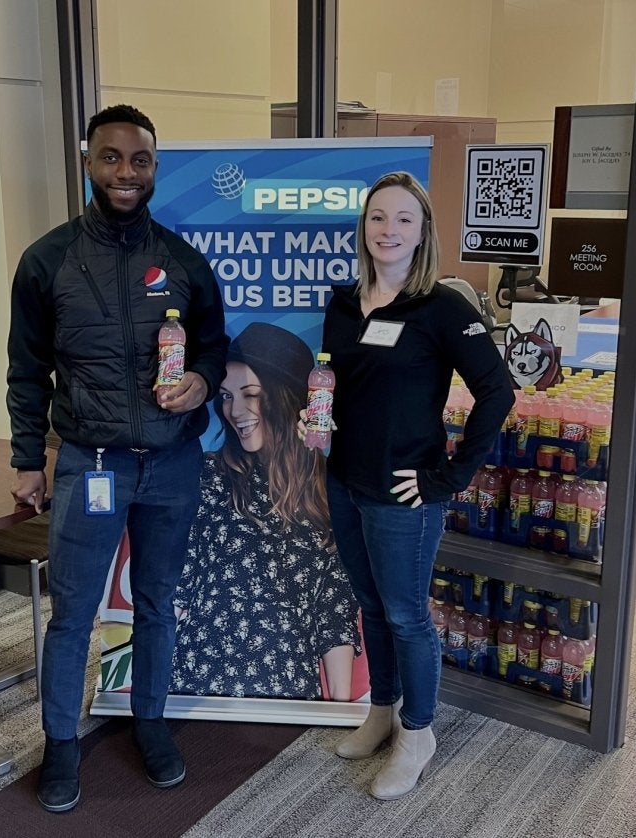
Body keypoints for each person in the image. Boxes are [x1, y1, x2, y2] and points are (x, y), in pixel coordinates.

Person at [6, 104, 229, 813]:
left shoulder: (186, 262)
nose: (125, 173)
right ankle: (62, 745)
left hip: (172, 466)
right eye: (111, 158)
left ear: (155, 168)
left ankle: (150, 723)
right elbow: (25, 369)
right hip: (88, 465)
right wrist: (25, 459)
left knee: (157, 605)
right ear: (88, 163)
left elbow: (216, 348)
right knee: (73, 615)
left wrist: (202, 380)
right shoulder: (47, 261)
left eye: (139, 161)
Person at [302, 171, 514, 801]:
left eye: (402, 219)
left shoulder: (443, 307)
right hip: (343, 478)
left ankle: (417, 733)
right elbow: (338, 383)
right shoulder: (342, 304)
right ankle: (382, 711)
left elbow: (497, 391)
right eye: (377, 218)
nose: (388, 230)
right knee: (371, 607)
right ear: (362, 227)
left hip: (404, 492)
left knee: (404, 614)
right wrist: (316, 418)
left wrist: (449, 476)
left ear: (423, 233)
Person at [170, 322, 361, 701]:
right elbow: (178, 587)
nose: (234, 411)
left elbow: (334, 610)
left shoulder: (327, 490)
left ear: (287, 398)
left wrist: (339, 711)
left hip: (288, 690)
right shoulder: (208, 474)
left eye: (251, 395)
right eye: (225, 396)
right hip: (196, 683)